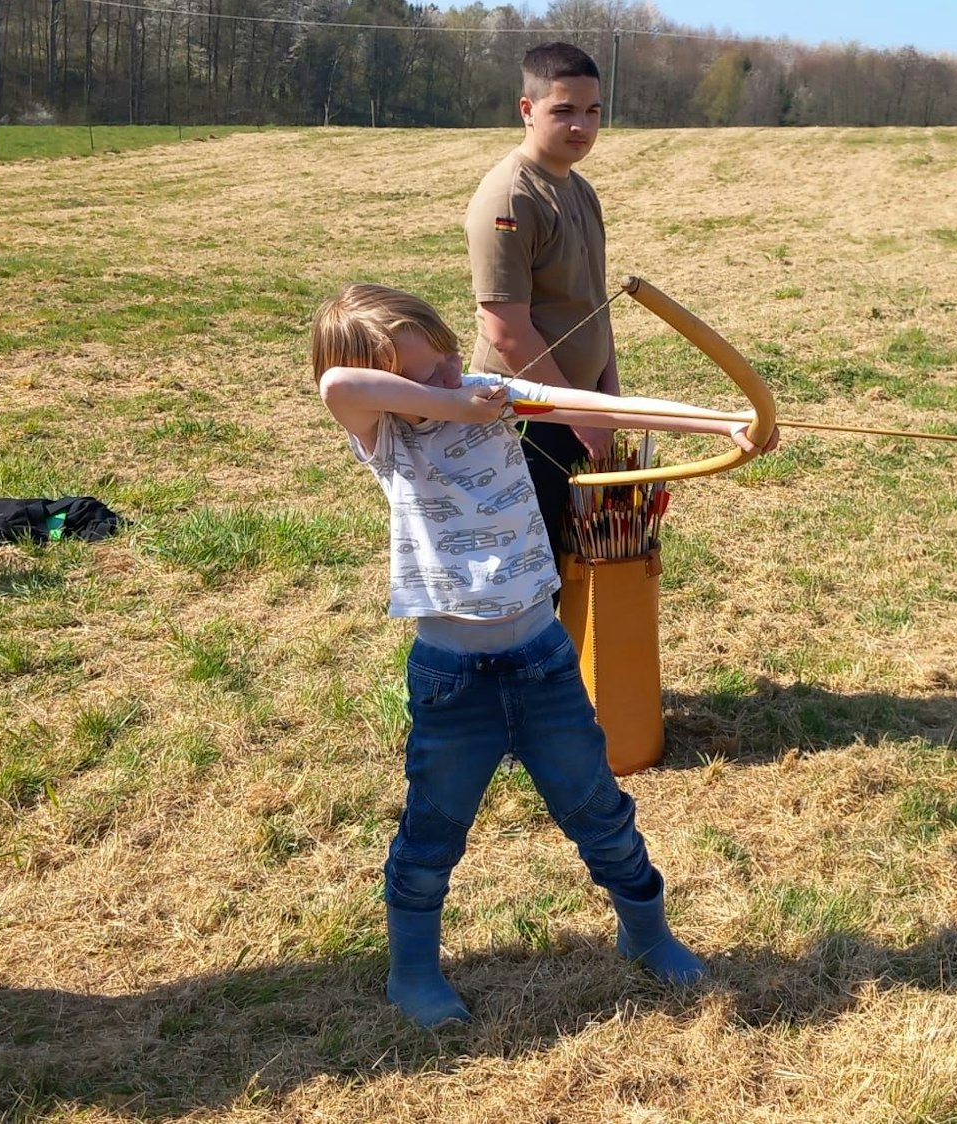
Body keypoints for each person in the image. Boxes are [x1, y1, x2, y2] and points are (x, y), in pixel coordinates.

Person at [312, 283, 768, 1027]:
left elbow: (620, 411)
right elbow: (339, 383)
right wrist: (455, 406)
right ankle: (413, 972)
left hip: (541, 660)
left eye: (449, 357)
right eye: (424, 375)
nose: (450, 377)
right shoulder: (381, 433)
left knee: (600, 810)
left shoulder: (495, 393)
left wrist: (732, 423)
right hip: (453, 678)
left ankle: (646, 936)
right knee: (432, 831)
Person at [464, 41, 618, 563]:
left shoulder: (580, 190)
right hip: (523, 420)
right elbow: (505, 329)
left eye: (592, 111)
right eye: (564, 110)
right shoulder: (510, 197)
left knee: (576, 563)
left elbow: (594, 304)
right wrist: (581, 412)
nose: (582, 126)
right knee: (526, 568)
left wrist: (609, 403)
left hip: (577, 413)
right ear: (527, 110)